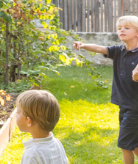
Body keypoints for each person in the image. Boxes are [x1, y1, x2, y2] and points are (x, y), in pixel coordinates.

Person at [74, 15, 138, 163]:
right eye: (119, 28)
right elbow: (99, 48)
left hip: (135, 107)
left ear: (137, 33)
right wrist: (83, 45)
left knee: (125, 143)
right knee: (133, 143)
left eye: (126, 28)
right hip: (125, 105)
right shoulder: (118, 51)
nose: (121, 30)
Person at [13, 90, 68, 164]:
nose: (16, 116)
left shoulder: (32, 154)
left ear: (29, 121)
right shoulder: (57, 143)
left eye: (18, 113)